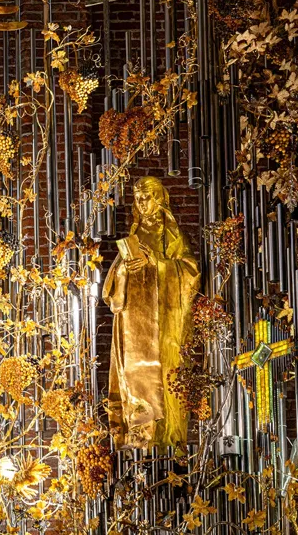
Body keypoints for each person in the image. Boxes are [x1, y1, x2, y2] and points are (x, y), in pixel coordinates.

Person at [103, 177, 200, 449]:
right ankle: (138, 445)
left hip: (163, 326)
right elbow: (111, 293)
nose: (141, 203)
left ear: (159, 199)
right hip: (133, 327)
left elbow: (191, 273)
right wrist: (124, 269)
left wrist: (155, 263)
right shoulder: (133, 237)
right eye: (137, 198)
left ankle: (163, 443)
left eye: (146, 197)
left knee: (163, 382)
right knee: (133, 382)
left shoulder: (171, 234)